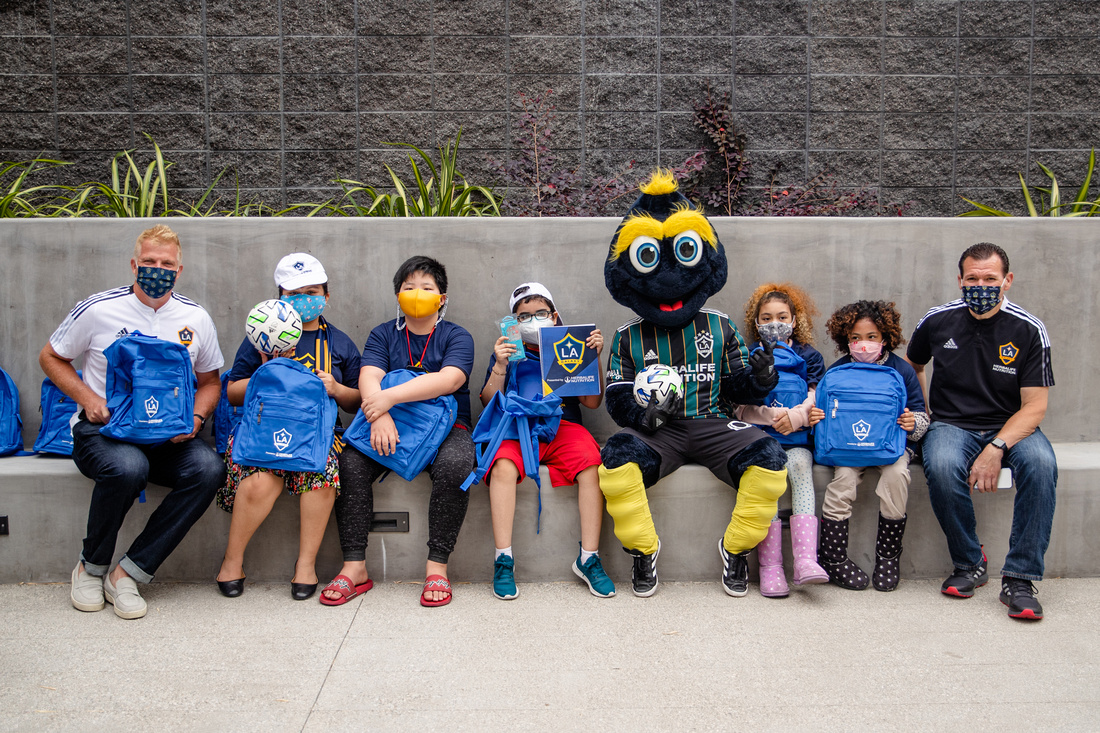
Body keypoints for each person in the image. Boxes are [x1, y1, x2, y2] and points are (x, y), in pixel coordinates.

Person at [598, 170, 789, 598]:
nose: (668, 282)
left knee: (770, 459)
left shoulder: (719, 326)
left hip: (712, 423)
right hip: (657, 432)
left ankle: (735, 548)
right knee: (615, 459)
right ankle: (642, 550)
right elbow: (615, 396)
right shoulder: (628, 335)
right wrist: (644, 416)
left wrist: (760, 379)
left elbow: (739, 387)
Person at [39, 224, 225, 620]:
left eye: (166, 264)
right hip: (102, 431)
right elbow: (51, 357)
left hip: (166, 436)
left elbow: (210, 382)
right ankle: (90, 568)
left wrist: (196, 417)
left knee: (209, 469)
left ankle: (128, 573)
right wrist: (88, 399)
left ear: (179, 269)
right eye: (149, 262)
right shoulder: (99, 309)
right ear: (133, 264)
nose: (158, 269)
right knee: (129, 467)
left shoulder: (195, 317)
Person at [907, 242, 1056, 620]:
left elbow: (1035, 406)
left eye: (990, 278)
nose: (980, 285)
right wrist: (923, 412)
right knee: (939, 465)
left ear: (1007, 281)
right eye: (972, 278)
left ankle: (1020, 579)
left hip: (1012, 425)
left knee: (1041, 466)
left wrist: (996, 447)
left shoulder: (1029, 328)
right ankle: (970, 562)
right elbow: (913, 365)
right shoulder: (937, 320)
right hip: (951, 423)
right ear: (960, 280)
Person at [322, 256, 475, 607]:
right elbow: (368, 376)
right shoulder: (383, 334)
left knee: (456, 464)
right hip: (387, 425)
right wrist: (378, 416)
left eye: (427, 287)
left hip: (446, 428)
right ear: (397, 296)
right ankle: (354, 566)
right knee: (349, 465)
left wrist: (386, 399)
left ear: (443, 297)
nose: (417, 293)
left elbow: (449, 379)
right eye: (408, 288)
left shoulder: (456, 335)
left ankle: (437, 567)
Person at [215, 254, 361, 601]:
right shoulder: (261, 336)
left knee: (322, 476)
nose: (304, 298)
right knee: (260, 479)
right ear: (279, 296)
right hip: (263, 431)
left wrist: (336, 388)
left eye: (312, 291)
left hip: (319, 436)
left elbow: (356, 402)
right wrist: (268, 372)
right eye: (293, 293)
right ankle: (231, 562)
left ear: (327, 296)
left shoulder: (340, 343)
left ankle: (305, 566)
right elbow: (233, 392)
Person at [478, 282, 614, 600]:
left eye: (540, 313)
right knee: (501, 467)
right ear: (514, 322)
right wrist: (499, 365)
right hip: (518, 428)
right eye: (523, 315)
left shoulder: (571, 345)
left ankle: (589, 558)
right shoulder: (508, 351)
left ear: (554, 316)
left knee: (592, 466)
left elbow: (592, 404)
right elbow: (488, 401)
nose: (533, 319)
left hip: (564, 427)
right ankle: (503, 560)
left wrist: (595, 359)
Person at [818, 300, 927, 592]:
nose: (862, 344)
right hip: (847, 448)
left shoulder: (901, 370)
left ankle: (888, 558)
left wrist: (912, 423)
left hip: (890, 447)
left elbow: (921, 414)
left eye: (871, 337)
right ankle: (833, 557)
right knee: (843, 480)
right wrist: (816, 418)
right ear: (845, 339)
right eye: (855, 338)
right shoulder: (838, 369)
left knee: (896, 476)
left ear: (885, 337)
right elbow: (824, 412)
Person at [735, 283, 829, 597]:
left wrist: (797, 417)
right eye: (766, 317)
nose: (774, 323)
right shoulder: (747, 356)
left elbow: (818, 395)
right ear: (756, 323)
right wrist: (770, 416)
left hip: (797, 438)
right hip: (761, 440)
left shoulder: (809, 355)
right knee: (768, 483)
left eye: (781, 316)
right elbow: (736, 404)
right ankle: (770, 567)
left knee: (801, 468)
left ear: (793, 318)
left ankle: (805, 560)